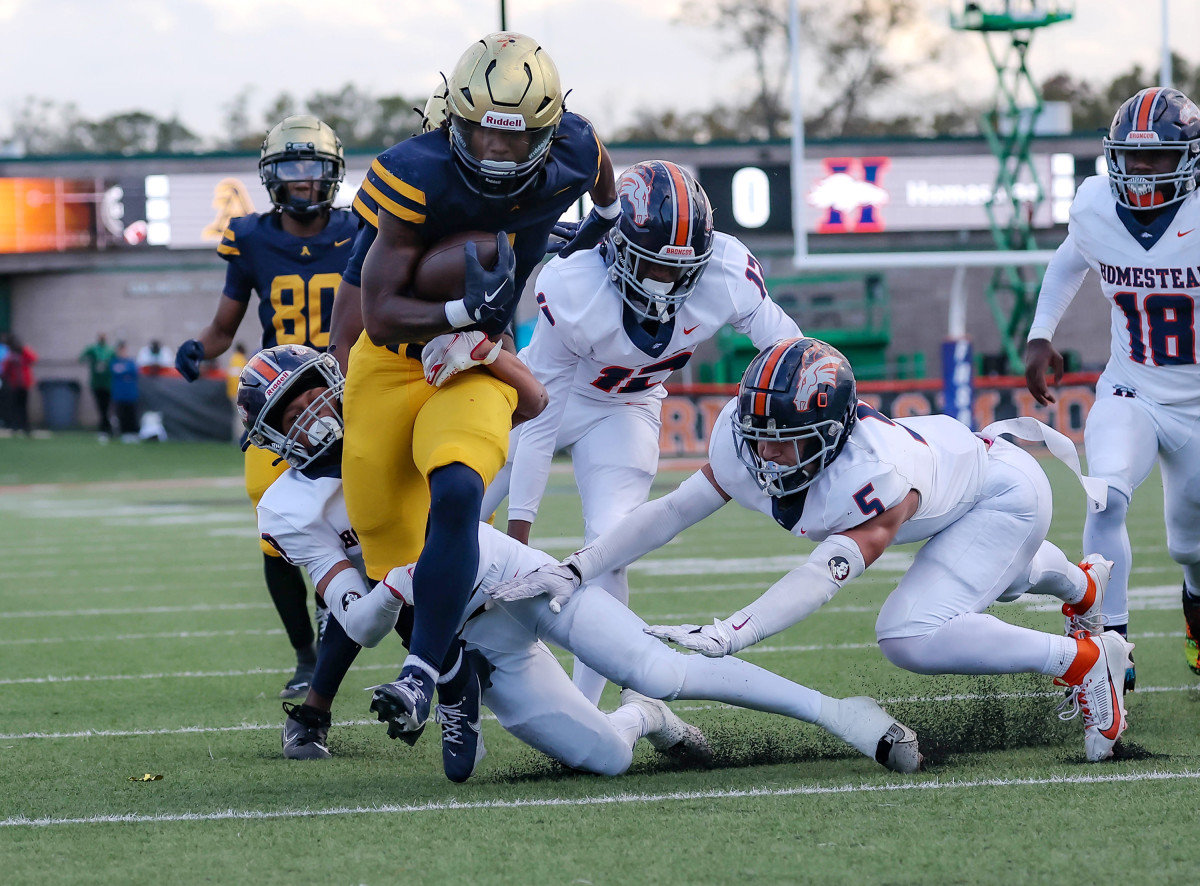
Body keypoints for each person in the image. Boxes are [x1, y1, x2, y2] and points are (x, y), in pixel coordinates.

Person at [240, 344, 920, 780]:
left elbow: (518, 418)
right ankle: (647, 719)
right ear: (269, 437)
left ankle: (840, 715)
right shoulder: (289, 509)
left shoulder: (392, 416)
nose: (311, 417)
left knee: (656, 666)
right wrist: (398, 583)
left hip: (506, 572)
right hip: (467, 638)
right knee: (607, 757)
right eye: (289, 412)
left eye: (311, 395)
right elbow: (356, 626)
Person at [491, 337, 1134, 763]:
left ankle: (1081, 660)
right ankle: (1081, 587)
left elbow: (822, 575)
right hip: (967, 482)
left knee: (909, 633)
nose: (766, 453)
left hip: (1004, 496)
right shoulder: (746, 442)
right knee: (1007, 578)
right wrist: (580, 566)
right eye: (759, 434)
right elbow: (670, 511)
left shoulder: (874, 472)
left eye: (785, 441)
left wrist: (733, 632)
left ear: (830, 434)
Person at [337, 32, 622, 744]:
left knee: (460, 492)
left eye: (515, 140)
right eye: (479, 136)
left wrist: (608, 222)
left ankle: (420, 674)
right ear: (451, 124)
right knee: (389, 551)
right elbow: (373, 314)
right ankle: (457, 669)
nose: (495, 154)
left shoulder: (572, 149)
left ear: (546, 132)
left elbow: (598, 164)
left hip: (480, 358)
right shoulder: (413, 175)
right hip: (396, 353)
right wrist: (465, 308)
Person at [486, 160, 802, 704]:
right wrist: (520, 534)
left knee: (611, 545)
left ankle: (585, 706)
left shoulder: (726, 273)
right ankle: (440, 673)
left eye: (682, 270)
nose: (668, 282)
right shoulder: (575, 286)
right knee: (452, 517)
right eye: (653, 265)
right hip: (539, 402)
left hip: (627, 409)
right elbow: (539, 419)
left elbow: (793, 355)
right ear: (614, 248)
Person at [173, 114, 358, 698]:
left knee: (368, 520)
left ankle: (359, 623)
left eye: (313, 172)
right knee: (275, 536)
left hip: (350, 394)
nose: (304, 183)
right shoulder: (250, 236)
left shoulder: (364, 228)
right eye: (292, 172)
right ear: (273, 178)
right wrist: (198, 348)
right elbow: (225, 327)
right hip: (279, 410)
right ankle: (306, 655)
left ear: (331, 176)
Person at [1025, 86, 1200, 689]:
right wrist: (1040, 333)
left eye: (1156, 158)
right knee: (1105, 494)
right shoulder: (1097, 206)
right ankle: (1109, 643)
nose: (1141, 170)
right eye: (1131, 157)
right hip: (1133, 389)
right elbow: (1070, 259)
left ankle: (1196, 608)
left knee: (1191, 545)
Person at [78, 333, 115, 438]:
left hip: (108, 383)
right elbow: (81, 358)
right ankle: (105, 429)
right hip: (96, 383)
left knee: (107, 407)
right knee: (101, 407)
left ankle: (106, 428)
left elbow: (116, 361)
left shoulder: (110, 350)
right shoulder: (93, 349)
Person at [0, 336, 36, 435]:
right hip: (14, 384)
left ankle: (25, 426)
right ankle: (15, 426)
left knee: (23, 406)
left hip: (24, 384)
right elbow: (6, 367)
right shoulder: (10, 355)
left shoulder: (23, 352)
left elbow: (33, 358)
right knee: (14, 406)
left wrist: (24, 349)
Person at [109, 342, 140, 442]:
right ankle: (123, 432)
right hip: (119, 394)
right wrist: (125, 372)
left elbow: (134, 371)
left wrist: (123, 371)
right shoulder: (114, 362)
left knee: (131, 414)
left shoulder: (131, 362)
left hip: (130, 394)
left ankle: (133, 433)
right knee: (120, 414)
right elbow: (114, 371)